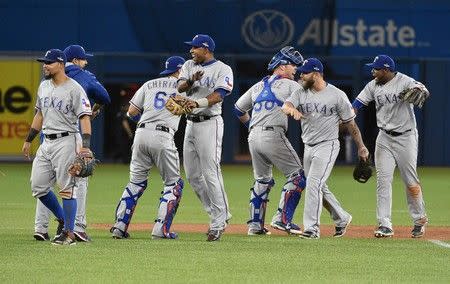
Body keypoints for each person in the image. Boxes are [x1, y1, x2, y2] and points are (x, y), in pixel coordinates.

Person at [282, 58, 369, 239]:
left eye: (305, 72)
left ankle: (312, 229)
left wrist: (361, 146)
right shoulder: (301, 91)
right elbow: (286, 105)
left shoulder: (337, 95)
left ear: (316, 73)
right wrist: (292, 110)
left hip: (327, 145)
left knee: (314, 183)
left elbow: (350, 124)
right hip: (308, 146)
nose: (302, 75)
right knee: (318, 185)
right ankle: (342, 217)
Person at [33, 44, 110, 242]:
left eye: (48, 63)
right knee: (55, 185)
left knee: (59, 185)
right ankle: (76, 227)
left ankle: (45, 228)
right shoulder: (84, 76)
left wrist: (84, 145)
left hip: (59, 137)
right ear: (75, 60)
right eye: (84, 59)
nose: (85, 62)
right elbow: (104, 97)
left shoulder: (63, 83)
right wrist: (97, 108)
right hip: (61, 137)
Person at [352, 55, 429, 238]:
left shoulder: (404, 80)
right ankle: (384, 224)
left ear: (386, 70)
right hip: (384, 138)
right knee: (383, 181)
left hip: (406, 137)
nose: (373, 72)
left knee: (410, 182)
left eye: (376, 69)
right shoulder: (373, 85)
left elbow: (421, 89)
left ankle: (419, 220)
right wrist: (348, 113)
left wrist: (419, 89)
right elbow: (357, 104)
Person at [110, 56, 186, 239]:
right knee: (174, 184)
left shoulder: (150, 84)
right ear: (180, 70)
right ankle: (161, 230)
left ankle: (119, 227)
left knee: (135, 183)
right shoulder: (184, 87)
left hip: (141, 134)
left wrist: (146, 123)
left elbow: (132, 112)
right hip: (163, 135)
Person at [233, 46, 306, 235]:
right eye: (292, 65)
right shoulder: (291, 85)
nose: (295, 69)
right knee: (297, 176)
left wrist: (251, 126)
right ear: (281, 66)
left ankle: (255, 226)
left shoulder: (257, 85)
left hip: (253, 136)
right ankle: (282, 219)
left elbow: (238, 110)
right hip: (272, 135)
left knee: (262, 180)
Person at [22, 49, 92, 245]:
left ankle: (69, 233)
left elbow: (85, 117)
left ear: (61, 64)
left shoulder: (74, 88)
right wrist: (29, 139)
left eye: (49, 62)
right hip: (46, 141)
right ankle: (63, 218)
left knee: (67, 188)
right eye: (44, 62)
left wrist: (85, 146)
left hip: (67, 140)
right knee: (38, 186)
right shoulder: (43, 86)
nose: (45, 65)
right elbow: (39, 114)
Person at [177, 34, 233, 241]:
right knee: (192, 175)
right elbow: (180, 87)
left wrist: (197, 103)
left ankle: (218, 223)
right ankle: (219, 214)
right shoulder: (188, 65)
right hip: (190, 123)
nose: (191, 51)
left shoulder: (223, 69)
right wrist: (191, 80)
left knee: (211, 172)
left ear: (206, 48)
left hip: (211, 123)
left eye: (194, 48)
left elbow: (220, 95)